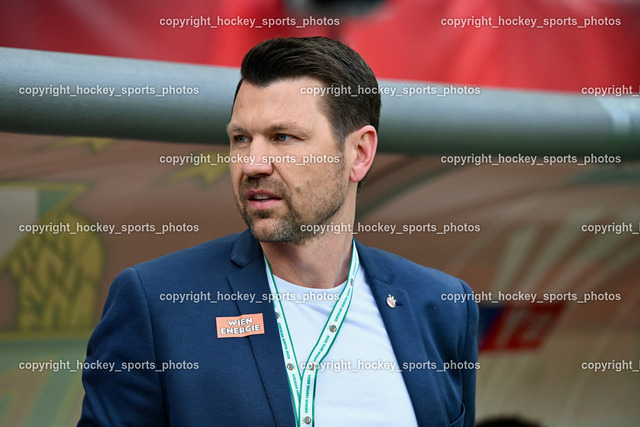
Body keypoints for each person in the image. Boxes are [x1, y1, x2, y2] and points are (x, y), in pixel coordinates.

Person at [78, 36, 478, 427]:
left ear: (359, 153)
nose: (252, 164)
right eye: (241, 139)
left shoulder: (441, 306)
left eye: (282, 137)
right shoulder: (158, 303)